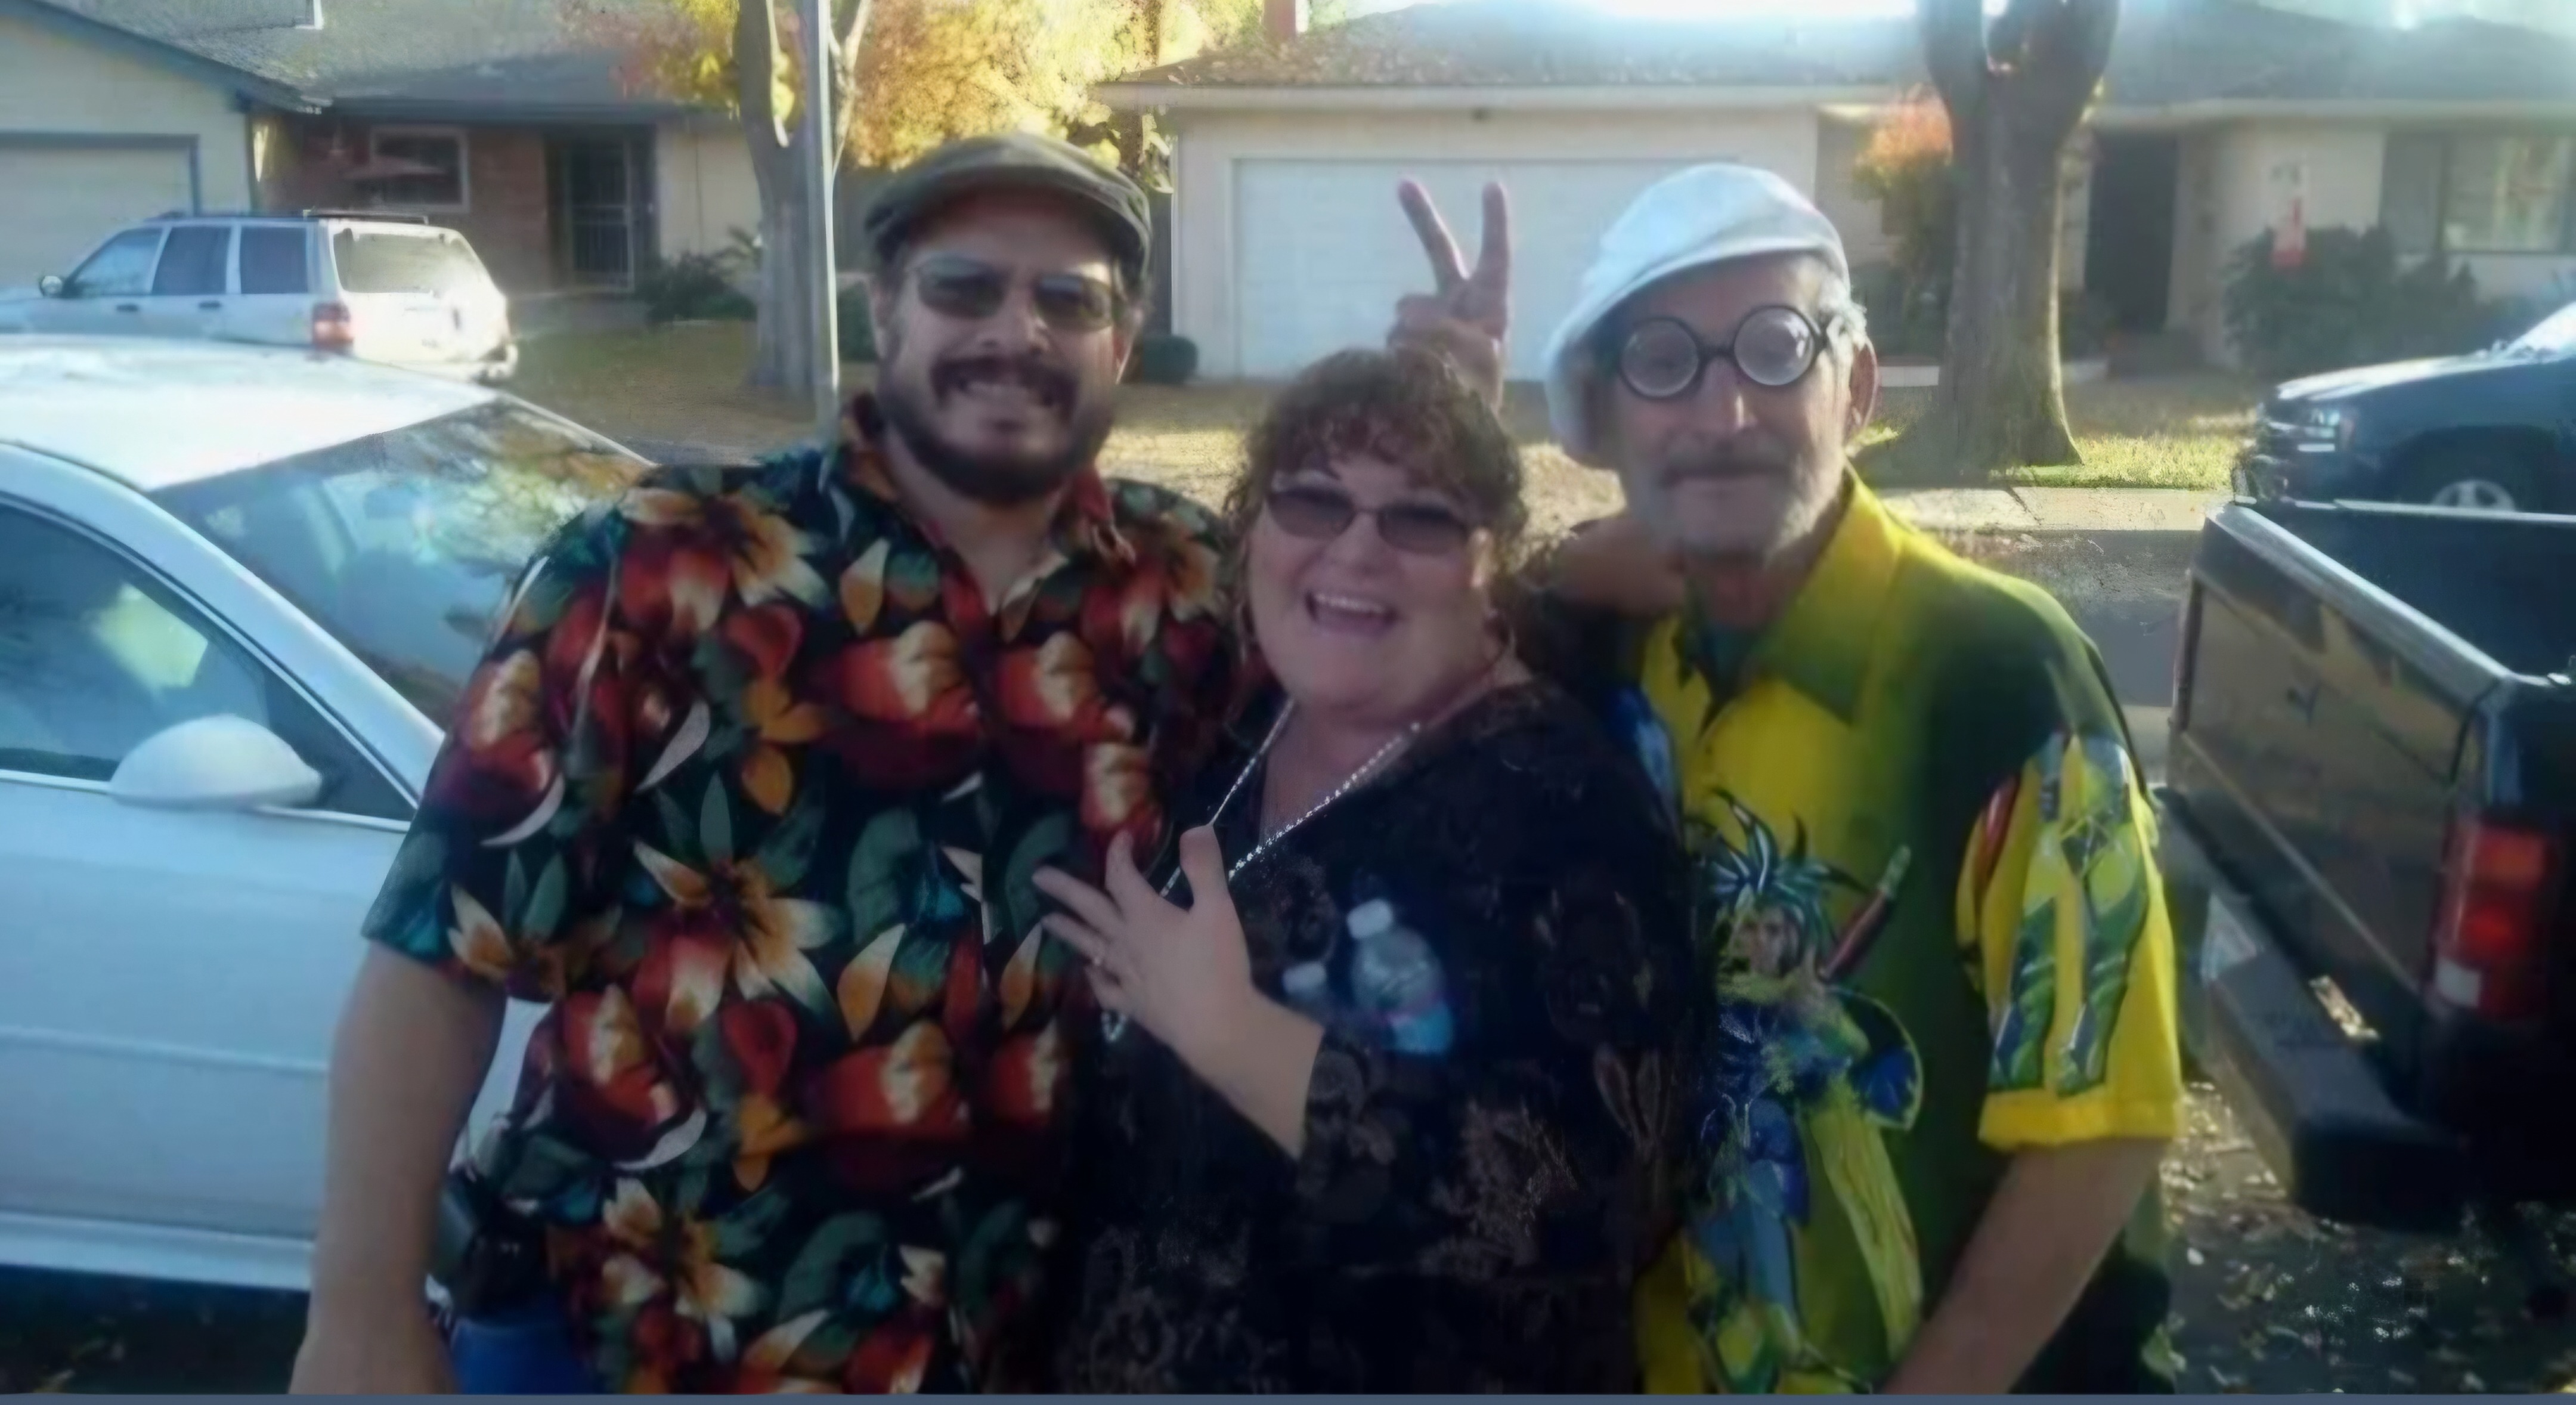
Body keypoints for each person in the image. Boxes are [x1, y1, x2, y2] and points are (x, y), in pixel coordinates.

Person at [287, 132, 1246, 1394]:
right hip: (631, 1342)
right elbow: (439, 950)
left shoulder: (1186, 592)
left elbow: (1408, 658)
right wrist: (358, 1308)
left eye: (1067, 300)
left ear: (1121, 343)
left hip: (1002, 1347)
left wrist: (1435, 409)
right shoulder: (661, 562)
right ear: (884, 308)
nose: (1016, 330)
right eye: (965, 286)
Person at [1392, 165, 2186, 1393]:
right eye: (1663, 362)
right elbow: (1395, 642)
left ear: (1855, 385)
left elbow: (2100, 1123)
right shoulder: (1612, 660)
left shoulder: (1993, 671)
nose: (1723, 413)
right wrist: (1444, 426)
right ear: (1607, 417)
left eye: (1776, 349)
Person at [1033, 346, 1692, 1392]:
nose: (1355, 549)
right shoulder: (1243, 717)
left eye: (1421, 519)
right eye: (1311, 501)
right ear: (1253, 531)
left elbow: (1590, 1204)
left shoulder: (1565, 806)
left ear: (1491, 569)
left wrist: (1234, 1036)